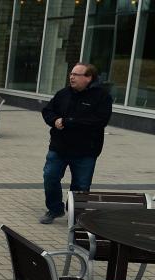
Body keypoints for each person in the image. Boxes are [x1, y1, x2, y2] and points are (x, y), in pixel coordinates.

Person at [39, 62, 113, 224]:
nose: (71, 77)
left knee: (81, 186)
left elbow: (99, 120)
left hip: (86, 151)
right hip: (59, 148)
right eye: (71, 74)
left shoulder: (102, 96)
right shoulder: (63, 94)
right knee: (50, 177)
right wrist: (55, 120)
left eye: (76, 75)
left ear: (88, 78)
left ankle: (75, 214)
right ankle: (54, 209)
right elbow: (47, 111)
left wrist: (68, 121)